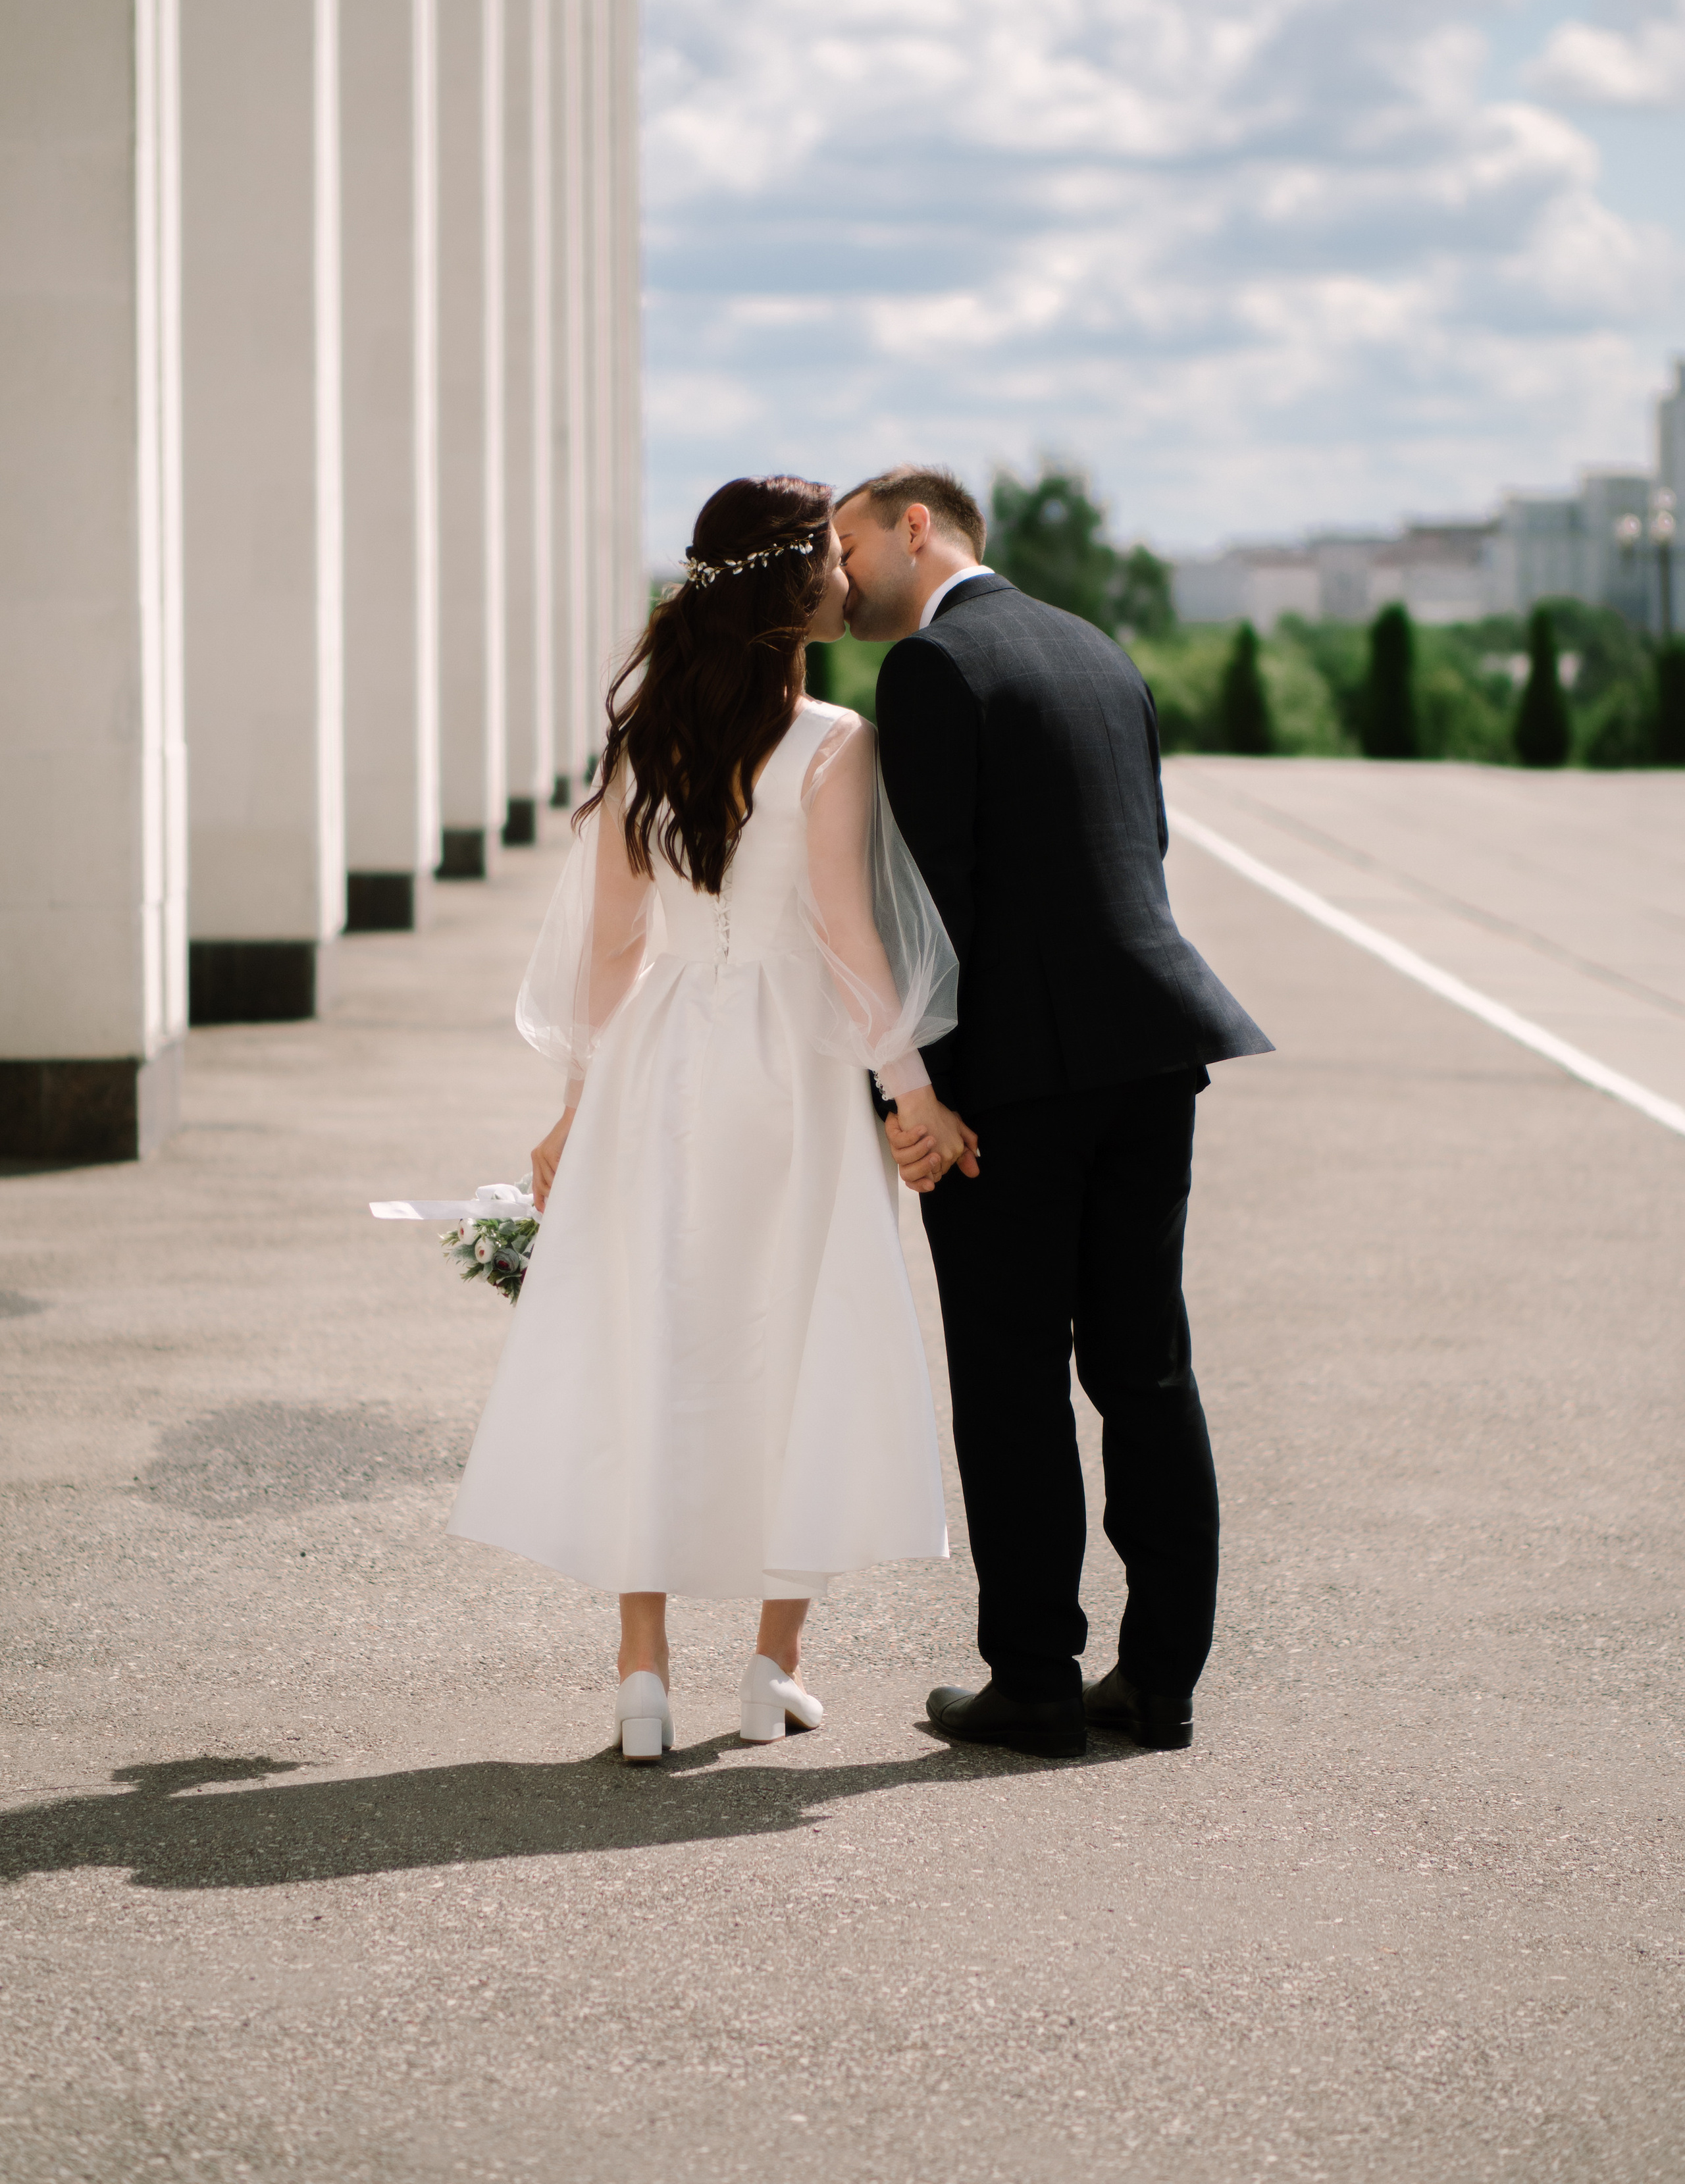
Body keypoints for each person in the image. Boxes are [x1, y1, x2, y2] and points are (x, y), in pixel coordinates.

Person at [448, 477, 960, 1760]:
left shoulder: (647, 742)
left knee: (654, 1341)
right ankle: (773, 1670)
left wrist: (578, 1106)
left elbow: (610, 950)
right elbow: (847, 939)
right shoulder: (831, 743)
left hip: (659, 1063)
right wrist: (912, 1092)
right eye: (828, 559)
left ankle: (642, 1678)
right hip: (793, 1068)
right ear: (793, 588)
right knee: (802, 1339)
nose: (845, 575)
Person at [833, 464, 1272, 1761]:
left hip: (1011, 1085)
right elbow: (1140, 853)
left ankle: (1033, 1680)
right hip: (1151, 1052)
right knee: (1146, 1368)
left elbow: (928, 903)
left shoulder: (929, 667)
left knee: (1010, 1379)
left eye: (848, 547)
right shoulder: (1096, 649)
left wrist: (911, 1097)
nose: (838, 577)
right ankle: (1160, 1681)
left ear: (915, 527)